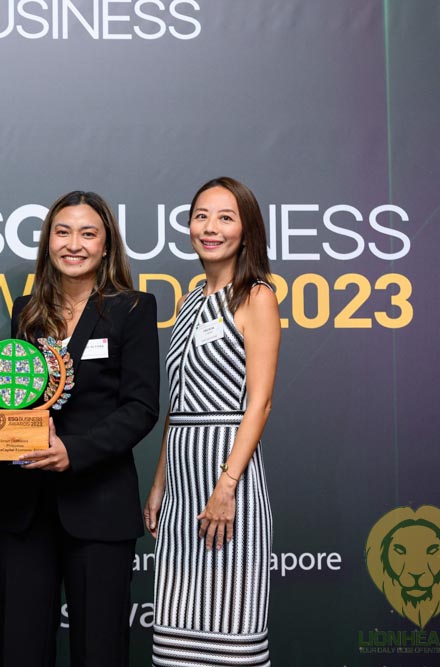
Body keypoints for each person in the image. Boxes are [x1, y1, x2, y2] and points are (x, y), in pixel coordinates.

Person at [0, 191, 160, 667]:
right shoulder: (26, 310)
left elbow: (141, 407)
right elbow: (16, 396)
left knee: (99, 650)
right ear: (48, 242)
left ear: (106, 246)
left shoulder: (133, 308)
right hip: (26, 509)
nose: (74, 244)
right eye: (62, 232)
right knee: (21, 650)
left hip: (99, 504)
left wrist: (75, 450)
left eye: (88, 234)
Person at [145, 177, 280, 666]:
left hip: (227, 484)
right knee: (175, 646)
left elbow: (260, 403)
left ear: (246, 231)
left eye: (225, 217)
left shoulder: (257, 296)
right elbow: (178, 403)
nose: (210, 227)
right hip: (181, 491)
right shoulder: (188, 302)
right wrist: (159, 485)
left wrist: (226, 487)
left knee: (230, 640)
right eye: (201, 216)